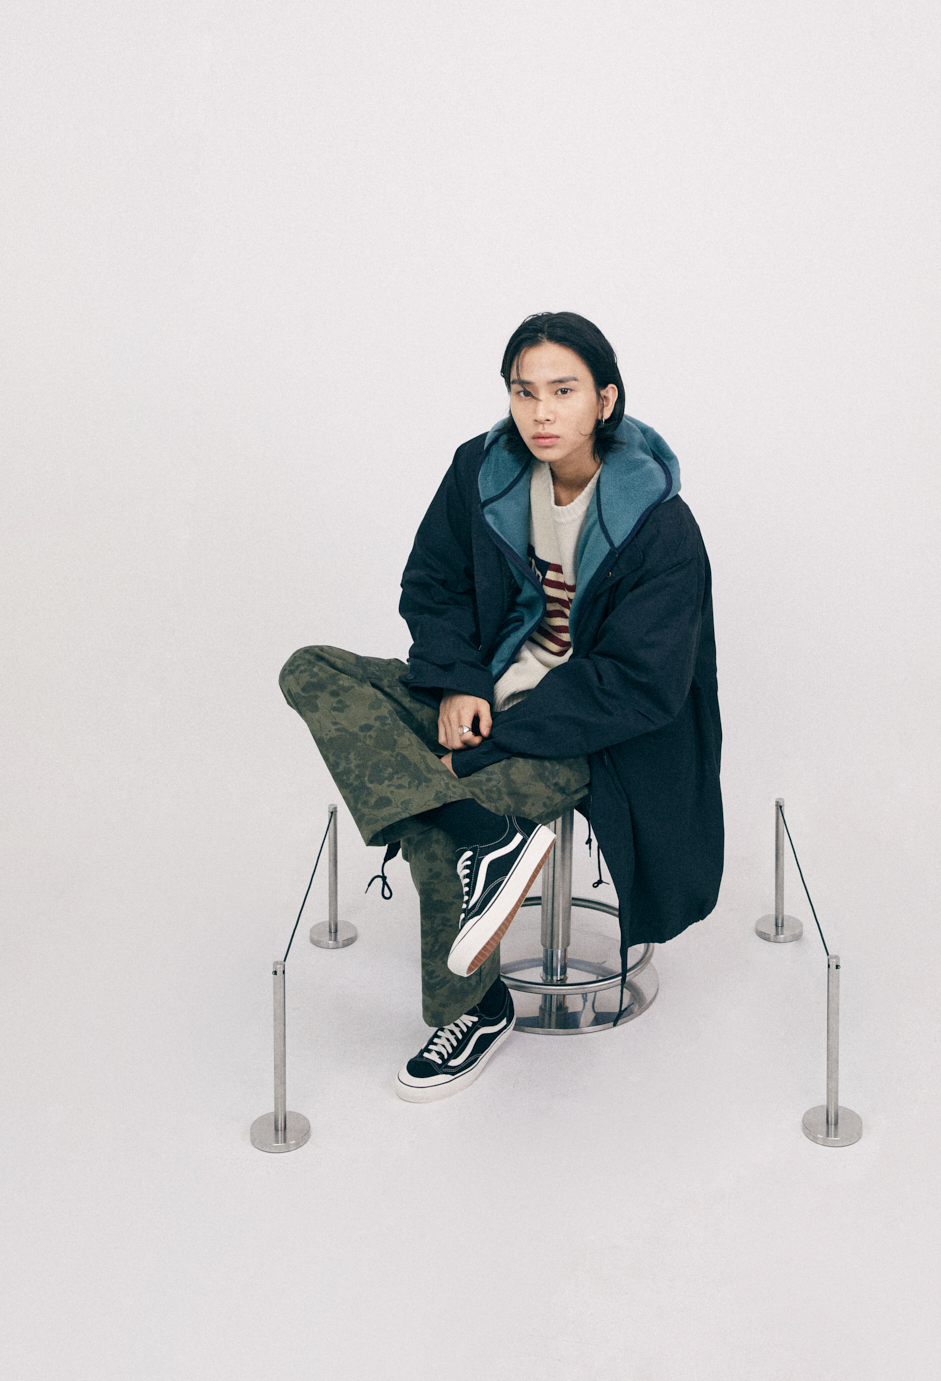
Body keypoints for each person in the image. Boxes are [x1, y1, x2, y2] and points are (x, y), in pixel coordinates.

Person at [279, 311, 723, 1102]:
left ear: (605, 400)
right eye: (524, 392)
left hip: (585, 735)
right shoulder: (481, 472)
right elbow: (434, 584)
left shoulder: (659, 523)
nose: (540, 412)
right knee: (311, 670)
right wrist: (461, 684)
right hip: (482, 693)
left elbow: (639, 682)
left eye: (563, 391)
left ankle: (474, 1011)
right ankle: (484, 838)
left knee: (429, 827)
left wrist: (497, 737)